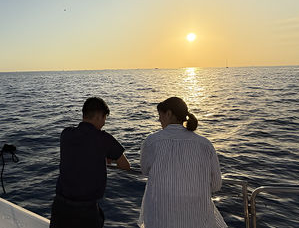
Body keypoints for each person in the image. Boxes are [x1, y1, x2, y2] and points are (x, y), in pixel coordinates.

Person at [139, 97, 227, 228]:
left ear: (169, 114)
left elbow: (145, 170)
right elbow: (216, 185)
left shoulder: (152, 141)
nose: (159, 119)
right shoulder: (205, 144)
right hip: (198, 220)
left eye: (160, 115)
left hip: (159, 219)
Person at [50, 97, 130, 228]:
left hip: (60, 207)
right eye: (105, 118)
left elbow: (80, 152)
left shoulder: (66, 134)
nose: (104, 123)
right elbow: (125, 166)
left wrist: (98, 157)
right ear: (99, 116)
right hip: (85, 211)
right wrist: (104, 160)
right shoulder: (104, 139)